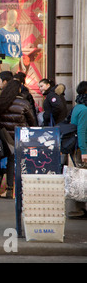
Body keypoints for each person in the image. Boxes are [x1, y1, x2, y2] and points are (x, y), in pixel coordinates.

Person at [0, 80, 37, 198]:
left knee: (10, 163)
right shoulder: (24, 103)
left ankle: (9, 189)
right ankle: (23, 188)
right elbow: (32, 121)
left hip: (7, 138)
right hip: (22, 136)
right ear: (18, 90)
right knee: (25, 162)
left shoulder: (2, 102)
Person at [68, 81, 87, 219]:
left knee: (79, 178)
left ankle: (79, 209)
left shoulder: (77, 107)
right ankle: (78, 210)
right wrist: (84, 151)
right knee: (81, 178)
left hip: (76, 147)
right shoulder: (84, 110)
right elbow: (81, 131)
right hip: (81, 148)